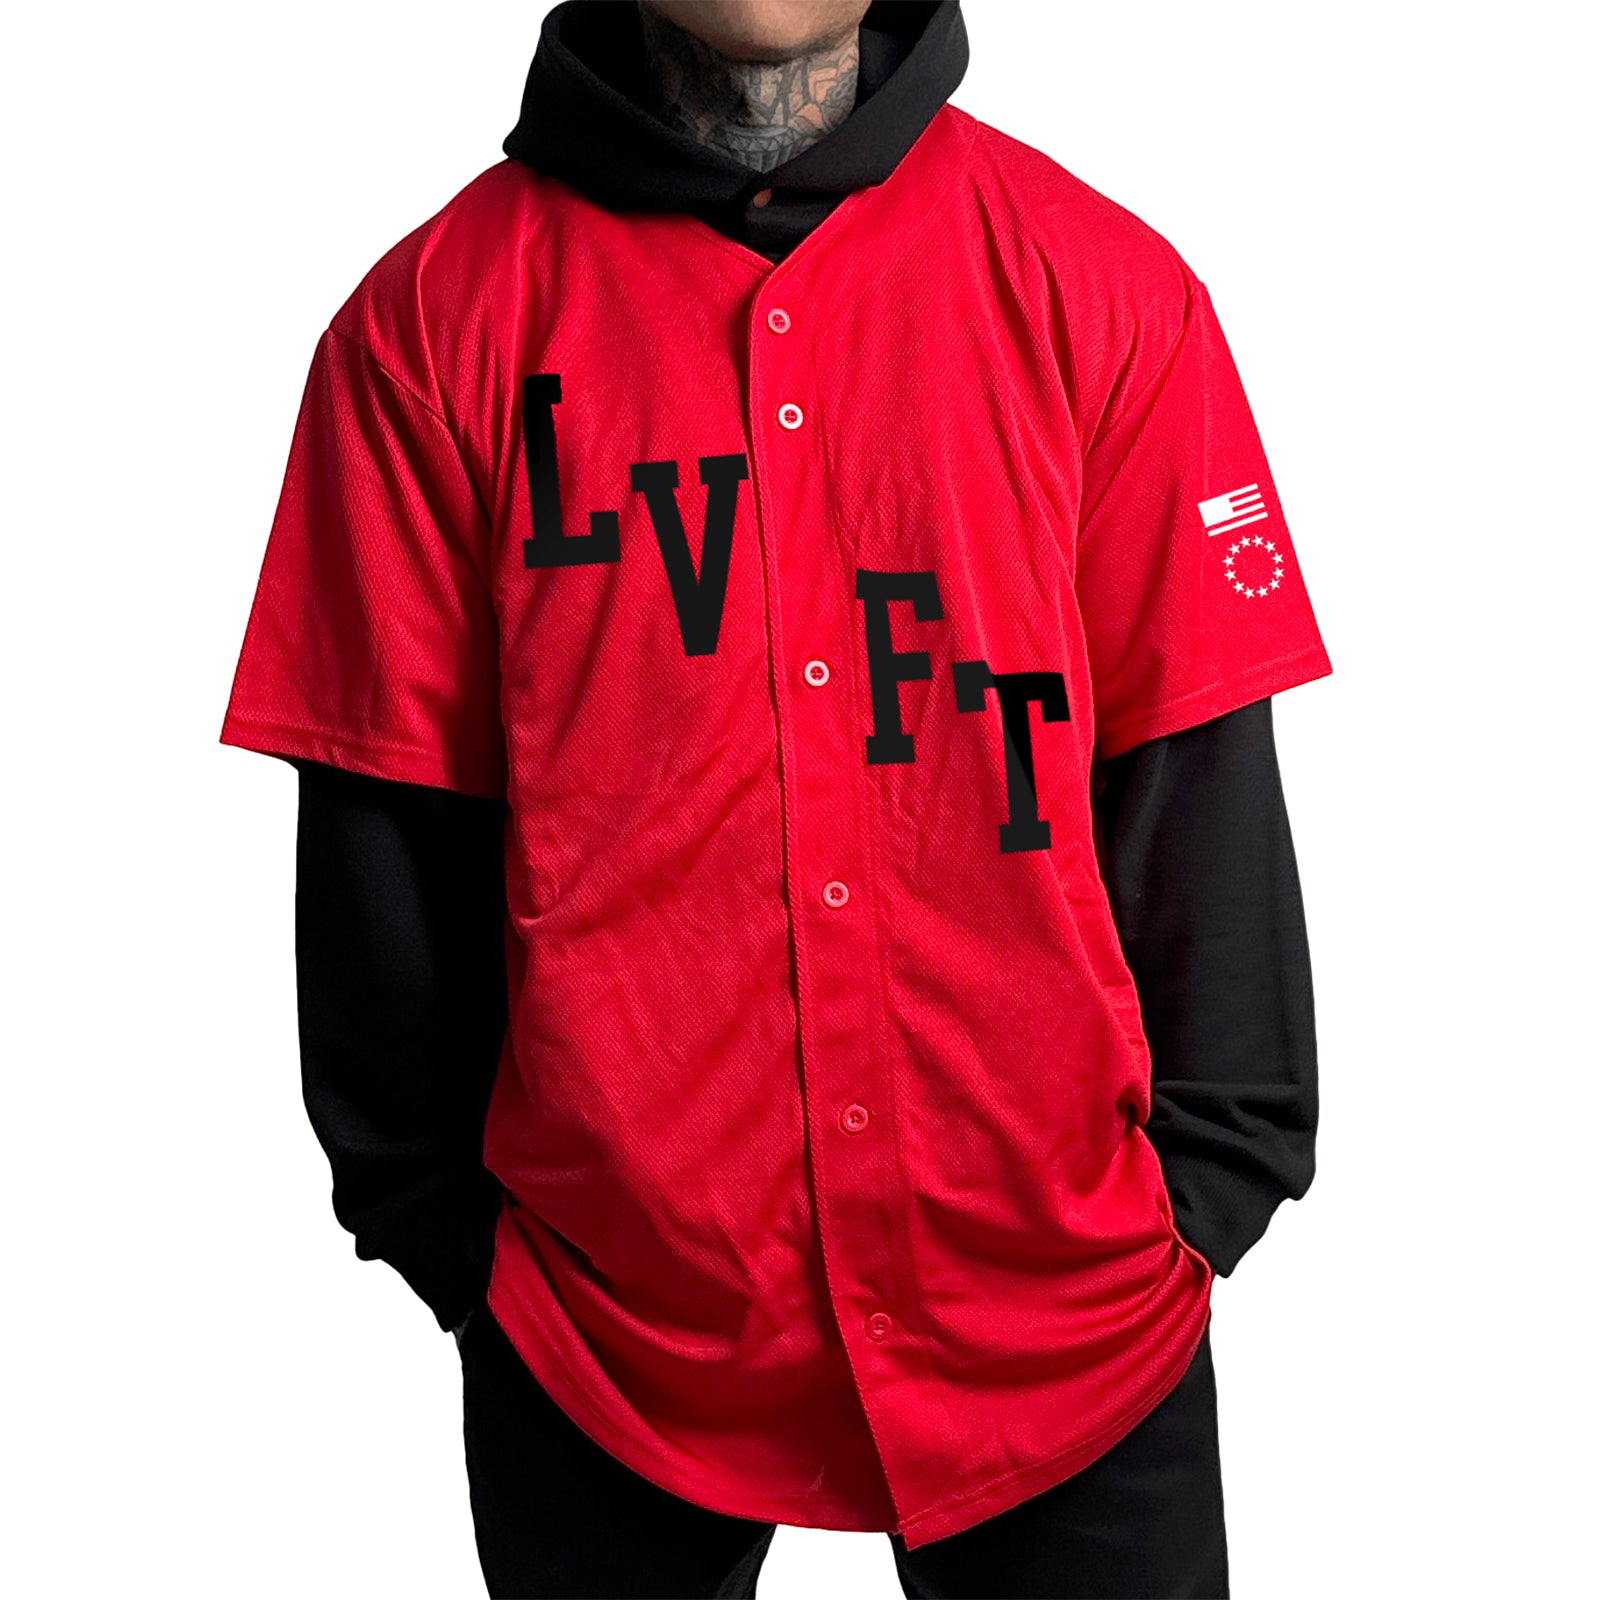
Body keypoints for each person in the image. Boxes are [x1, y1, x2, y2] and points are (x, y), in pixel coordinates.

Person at [220, 2, 1331, 1595]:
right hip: (605, 1334)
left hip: (1070, 1310)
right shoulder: (428, 324)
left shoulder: (1106, 287)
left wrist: (1212, 1187)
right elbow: (387, 823)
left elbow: (1193, 765)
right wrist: (453, 1245)